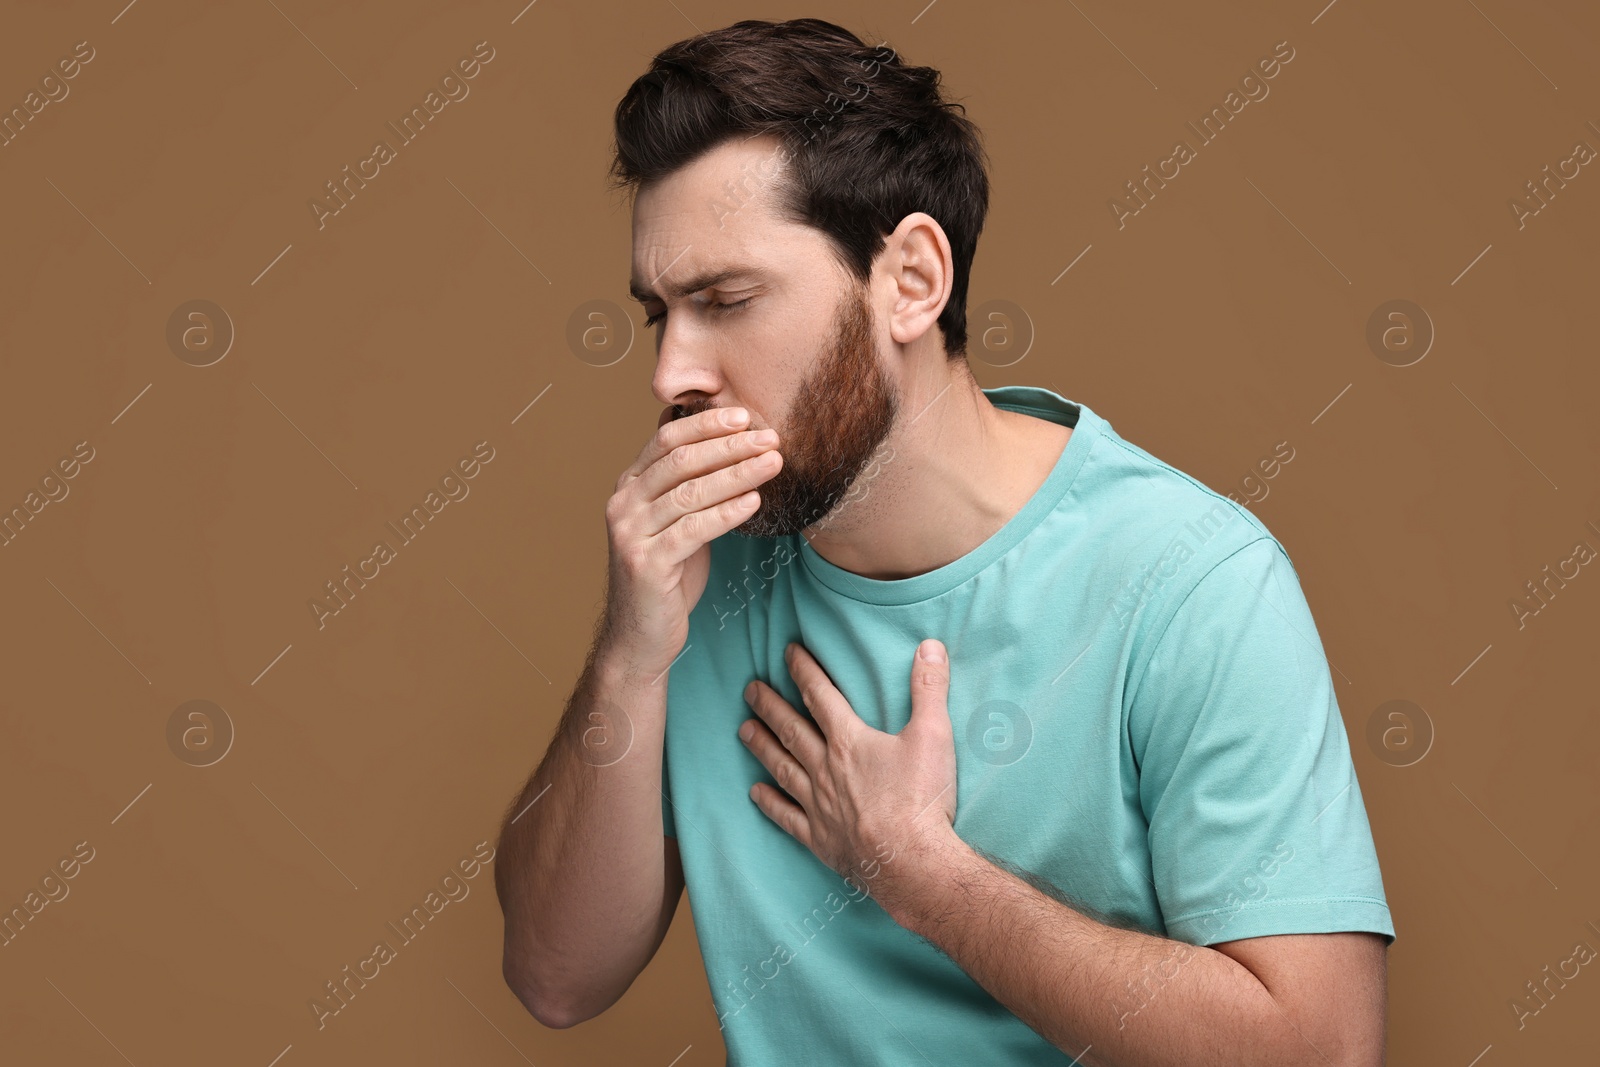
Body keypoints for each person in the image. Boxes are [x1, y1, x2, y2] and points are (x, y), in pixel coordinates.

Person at [493, 17, 1393, 1066]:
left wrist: (924, 873)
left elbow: (1321, 1050)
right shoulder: (700, 575)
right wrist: (628, 656)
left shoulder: (1193, 580)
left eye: (726, 300)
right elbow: (555, 975)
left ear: (912, 281)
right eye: (661, 314)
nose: (670, 374)